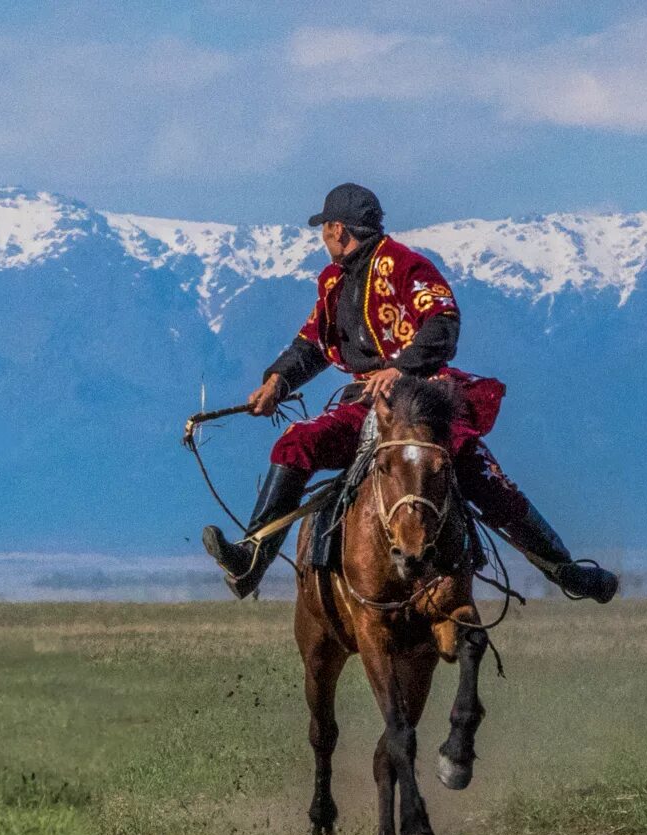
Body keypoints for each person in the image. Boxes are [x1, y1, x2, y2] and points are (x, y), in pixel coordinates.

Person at [202, 183, 618, 603]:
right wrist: (278, 381)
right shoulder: (332, 283)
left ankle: (564, 570)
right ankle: (253, 558)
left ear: (338, 230)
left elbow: (443, 323)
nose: (323, 238)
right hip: (363, 402)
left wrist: (400, 369)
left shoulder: (407, 267)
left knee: (479, 472)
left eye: (324, 229)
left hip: (422, 399)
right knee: (296, 443)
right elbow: (311, 345)